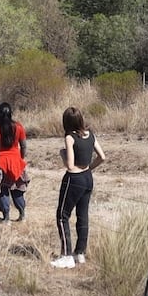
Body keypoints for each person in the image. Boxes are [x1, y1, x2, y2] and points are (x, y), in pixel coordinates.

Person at [52, 106, 106, 269]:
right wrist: (89, 167)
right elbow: (102, 157)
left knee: (62, 216)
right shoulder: (90, 134)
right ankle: (80, 253)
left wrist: (62, 154)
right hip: (88, 178)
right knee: (83, 216)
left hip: (74, 178)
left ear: (66, 123)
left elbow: (69, 164)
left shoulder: (70, 137)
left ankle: (67, 255)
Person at [0, 102, 29, 222]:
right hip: (16, 161)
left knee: (3, 190)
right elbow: (24, 146)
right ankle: (22, 214)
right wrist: (21, 158)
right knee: (17, 189)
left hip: (1, 163)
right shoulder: (19, 127)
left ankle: (6, 218)